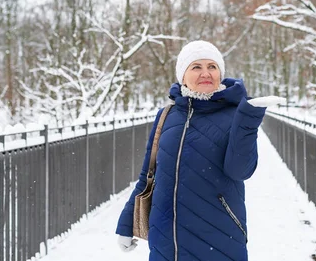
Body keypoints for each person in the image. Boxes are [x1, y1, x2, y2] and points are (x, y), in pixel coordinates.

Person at [116, 40, 284, 261]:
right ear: (182, 75)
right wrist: (127, 223)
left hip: (219, 238)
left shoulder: (235, 115)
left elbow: (240, 171)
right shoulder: (166, 115)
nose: (206, 73)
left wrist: (248, 120)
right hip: (166, 242)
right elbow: (148, 174)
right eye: (196, 67)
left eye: (212, 67)